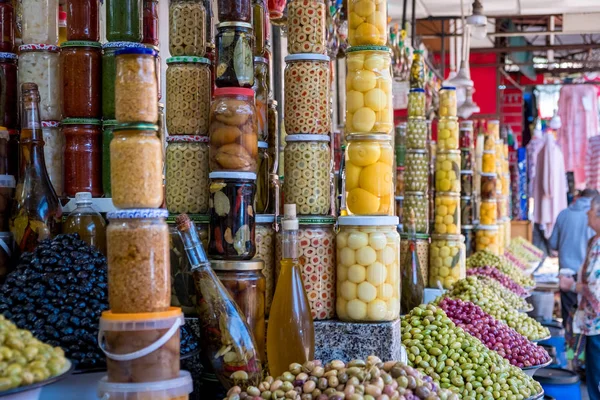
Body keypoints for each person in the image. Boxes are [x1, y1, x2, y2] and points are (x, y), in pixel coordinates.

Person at [560, 194, 600, 400]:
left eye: (591, 211)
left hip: (598, 324)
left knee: (597, 375)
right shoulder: (594, 240)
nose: (587, 213)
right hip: (591, 322)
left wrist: (572, 285)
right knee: (593, 372)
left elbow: (596, 287)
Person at [550, 188, 598, 327]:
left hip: (568, 277)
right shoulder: (594, 237)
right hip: (581, 283)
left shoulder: (564, 214)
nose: (587, 215)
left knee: (570, 325)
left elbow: (553, 244)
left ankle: (571, 347)